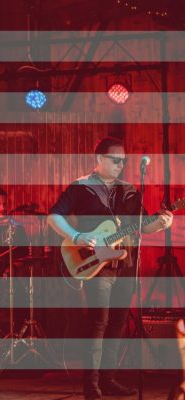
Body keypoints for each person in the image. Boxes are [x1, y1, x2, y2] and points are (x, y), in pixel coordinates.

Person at [47, 136, 172, 399]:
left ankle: (108, 380)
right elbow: (54, 216)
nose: (120, 165)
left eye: (123, 162)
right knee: (99, 322)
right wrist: (77, 236)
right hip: (96, 264)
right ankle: (90, 385)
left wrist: (160, 223)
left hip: (125, 263)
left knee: (117, 322)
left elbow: (141, 225)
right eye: (115, 161)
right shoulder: (81, 187)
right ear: (100, 159)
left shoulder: (129, 190)